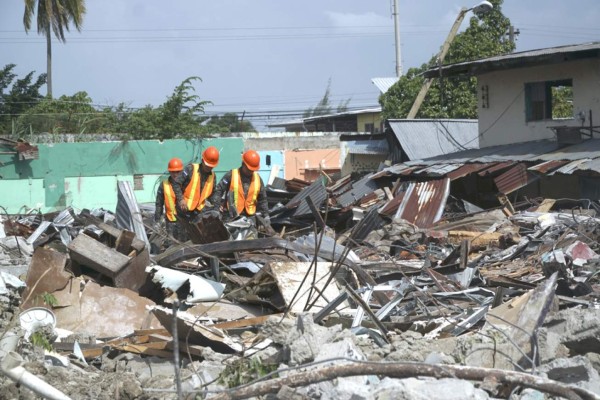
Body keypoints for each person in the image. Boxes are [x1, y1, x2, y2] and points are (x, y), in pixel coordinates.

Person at [211, 150, 271, 230]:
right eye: (249, 169)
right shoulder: (231, 175)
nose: (250, 172)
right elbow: (218, 190)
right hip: (231, 217)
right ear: (243, 164)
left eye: (252, 170)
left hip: (250, 218)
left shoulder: (258, 179)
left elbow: (262, 199)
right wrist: (216, 208)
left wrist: (266, 215)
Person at [172, 146, 220, 222]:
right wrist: (181, 199)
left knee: (196, 233)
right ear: (202, 160)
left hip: (198, 213)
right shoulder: (190, 169)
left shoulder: (213, 177)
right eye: (207, 165)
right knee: (181, 232)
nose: (209, 168)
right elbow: (176, 183)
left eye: (211, 166)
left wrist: (217, 206)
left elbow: (213, 194)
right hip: (183, 209)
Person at [154, 157, 187, 242]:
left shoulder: (187, 185)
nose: (175, 174)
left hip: (185, 223)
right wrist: (158, 221)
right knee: (170, 247)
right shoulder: (164, 185)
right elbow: (159, 204)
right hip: (170, 224)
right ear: (169, 171)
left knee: (185, 247)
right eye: (173, 172)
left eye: (178, 172)